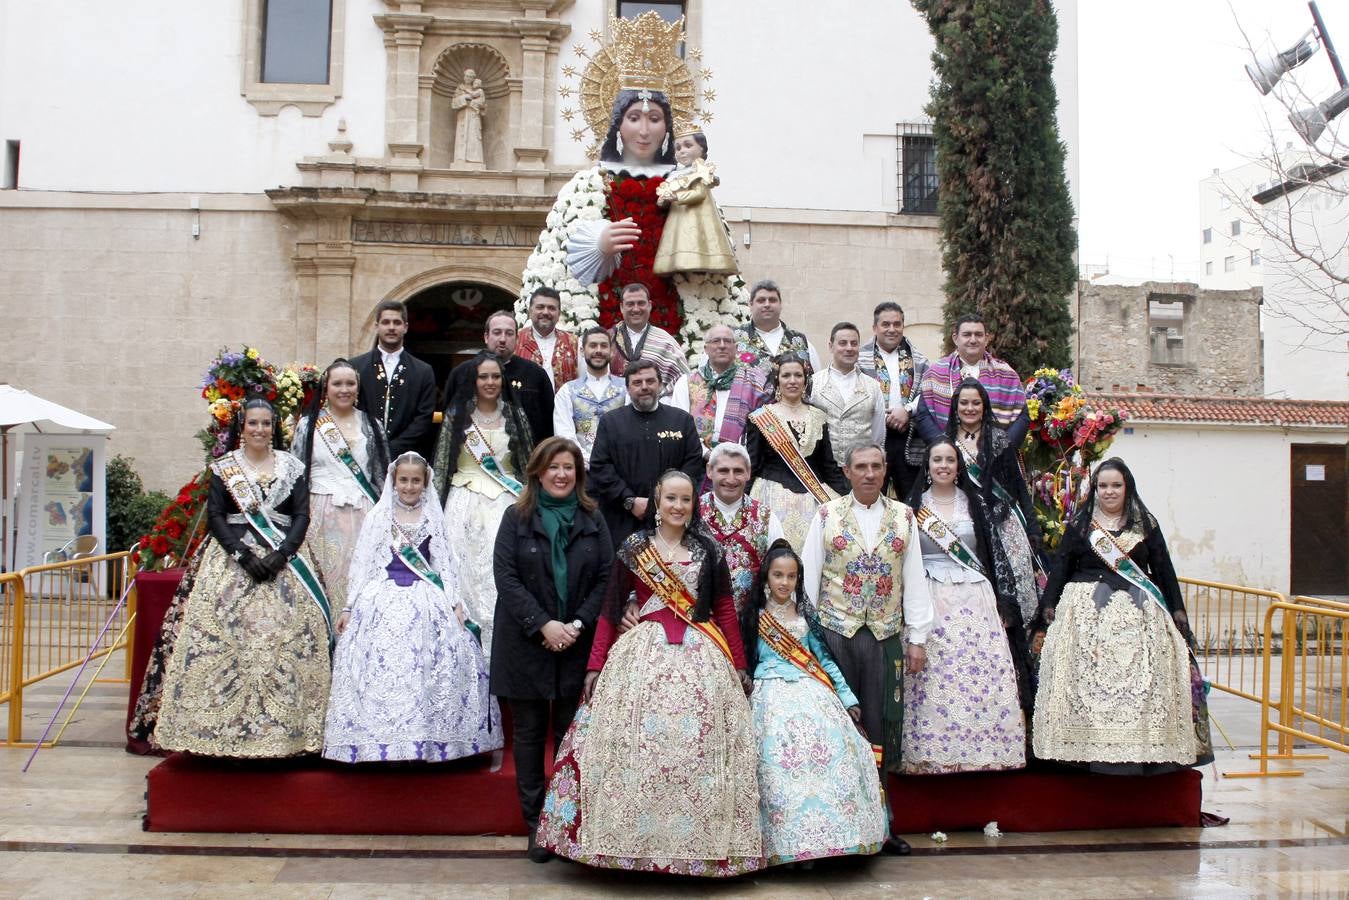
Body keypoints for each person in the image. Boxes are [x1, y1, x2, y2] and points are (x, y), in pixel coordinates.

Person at [535, 470, 763, 877]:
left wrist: (740, 663)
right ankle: (630, 847)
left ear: (695, 504)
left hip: (701, 654)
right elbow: (609, 612)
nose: (678, 507)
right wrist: (594, 666)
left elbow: (725, 608)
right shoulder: (635, 548)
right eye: (671, 499)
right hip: (642, 654)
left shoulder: (708, 548)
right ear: (657, 502)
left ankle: (699, 848)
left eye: (686, 500)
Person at [155, 397, 333, 757]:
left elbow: (301, 516)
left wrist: (282, 554)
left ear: (274, 428)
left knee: (287, 640)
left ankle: (289, 731)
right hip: (231, 561)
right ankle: (222, 729)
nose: (259, 430)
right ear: (242, 427)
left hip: (284, 559)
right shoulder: (224, 469)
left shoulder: (292, 467)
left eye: (266, 424)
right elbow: (217, 517)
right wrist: (242, 554)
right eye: (253, 423)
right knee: (228, 639)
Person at [1031, 458, 1214, 774]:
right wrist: (1048, 613)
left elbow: (1164, 570)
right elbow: (1061, 569)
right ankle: (1086, 752)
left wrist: (1178, 613)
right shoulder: (1080, 526)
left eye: (1116, 485)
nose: (1109, 491)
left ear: (1127, 487)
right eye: (1103, 485)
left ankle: (1143, 751)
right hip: (1086, 614)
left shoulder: (1145, 525)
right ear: (1095, 489)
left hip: (1139, 612)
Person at [324, 452, 501, 763]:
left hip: (426, 594)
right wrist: (350, 607)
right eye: (403, 480)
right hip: (383, 593)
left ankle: (426, 736)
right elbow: (363, 563)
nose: (408, 486)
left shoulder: (434, 516)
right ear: (394, 481)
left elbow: (446, 563)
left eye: (415, 480)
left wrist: (456, 602)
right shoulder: (379, 516)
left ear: (425, 483)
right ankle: (377, 741)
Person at [801, 443, 933, 844]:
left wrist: (918, 638)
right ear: (847, 470)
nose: (870, 474)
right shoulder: (826, 514)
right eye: (861, 467)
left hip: (884, 636)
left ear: (886, 469)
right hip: (836, 635)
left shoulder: (905, 517)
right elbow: (809, 580)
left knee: (878, 729)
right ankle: (837, 826)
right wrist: (808, 640)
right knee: (840, 726)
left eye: (876, 466)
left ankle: (880, 822)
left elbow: (915, 579)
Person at [491, 437, 613, 862]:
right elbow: (506, 577)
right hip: (526, 642)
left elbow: (605, 578)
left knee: (567, 737)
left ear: (578, 475)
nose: (561, 474)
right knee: (527, 736)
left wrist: (576, 624)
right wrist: (544, 624)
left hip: (575, 643)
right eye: (553, 467)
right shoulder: (516, 517)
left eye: (569, 467)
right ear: (538, 472)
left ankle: (562, 826)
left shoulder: (593, 519)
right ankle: (534, 825)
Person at [742, 540, 886, 865]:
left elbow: (825, 660)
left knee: (832, 751)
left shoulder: (807, 615)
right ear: (766, 577)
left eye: (791, 577)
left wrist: (847, 697)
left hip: (812, 689)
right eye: (778, 575)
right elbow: (746, 662)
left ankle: (829, 840)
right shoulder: (755, 617)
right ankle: (783, 843)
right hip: (770, 694)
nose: (784, 582)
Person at [902, 438, 1030, 774]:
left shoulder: (976, 505)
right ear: (927, 467)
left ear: (958, 467)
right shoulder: (913, 507)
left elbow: (994, 554)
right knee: (934, 679)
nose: (943, 466)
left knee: (975, 674)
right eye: (937, 460)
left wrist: (1005, 601)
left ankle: (981, 753)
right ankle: (932, 754)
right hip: (929, 596)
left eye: (949, 460)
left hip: (974, 598)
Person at [432, 351, 533, 658]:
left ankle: (502, 651)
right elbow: (441, 465)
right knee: (464, 576)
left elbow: (528, 463)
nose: (490, 382)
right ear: (473, 381)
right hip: (464, 503)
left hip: (507, 503)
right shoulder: (457, 416)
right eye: (483, 377)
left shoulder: (516, 416)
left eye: (495, 376)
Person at [945, 378, 1043, 633]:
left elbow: (1018, 487)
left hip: (1003, 524)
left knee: (1011, 594)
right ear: (955, 406)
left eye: (975, 403)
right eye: (964, 403)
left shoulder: (999, 440)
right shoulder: (946, 444)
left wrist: (1032, 528)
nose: (969, 408)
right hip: (964, 525)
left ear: (984, 406)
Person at [291, 358, 389, 614]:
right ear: (326, 388)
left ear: (358, 388)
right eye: (337, 383)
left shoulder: (372, 425)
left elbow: (381, 476)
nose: (344, 389)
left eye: (350, 383)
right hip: (320, 515)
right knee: (323, 582)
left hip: (364, 515)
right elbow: (297, 476)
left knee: (362, 582)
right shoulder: (308, 425)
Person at [587, 359, 703, 550]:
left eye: (650, 381)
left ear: (660, 385)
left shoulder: (682, 421)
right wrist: (629, 500)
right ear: (628, 388)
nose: (644, 387)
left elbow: (693, 464)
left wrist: (667, 501)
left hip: (672, 518)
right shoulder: (611, 422)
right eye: (637, 383)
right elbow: (600, 467)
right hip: (622, 518)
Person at [745, 353, 847, 550]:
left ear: (805, 379)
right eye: (786, 375)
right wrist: (743, 503)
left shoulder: (819, 416)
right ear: (777, 380)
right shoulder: (761, 417)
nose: (792, 381)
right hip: (771, 496)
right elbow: (752, 465)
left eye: (798, 375)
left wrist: (848, 499)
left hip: (814, 497)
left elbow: (828, 466)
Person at [442, 310, 555, 445]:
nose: (502, 339)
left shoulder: (536, 375)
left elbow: (549, 426)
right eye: (497, 332)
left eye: (509, 333)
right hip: (472, 458)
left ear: (517, 339)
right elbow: (448, 422)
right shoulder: (461, 374)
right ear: (486, 337)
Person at [699, 442, 785, 614]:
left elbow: (781, 570)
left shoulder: (766, 517)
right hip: (701, 623)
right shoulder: (692, 514)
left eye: (738, 471)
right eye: (723, 471)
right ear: (710, 471)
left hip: (752, 621)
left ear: (748, 473)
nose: (731, 479)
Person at [915, 313, 1026, 442]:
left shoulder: (1007, 374)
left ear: (987, 338)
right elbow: (924, 416)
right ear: (955, 338)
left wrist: (1002, 450)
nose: (973, 340)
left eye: (978, 335)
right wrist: (944, 449)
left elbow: (1022, 416)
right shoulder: (935, 373)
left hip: (997, 456)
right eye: (967, 334)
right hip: (947, 457)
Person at [857, 301, 930, 498]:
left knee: (912, 500)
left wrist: (906, 411)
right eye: (886, 324)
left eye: (897, 324)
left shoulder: (920, 360)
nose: (892, 329)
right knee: (870, 497)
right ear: (875, 328)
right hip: (871, 436)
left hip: (908, 437)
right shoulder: (858, 359)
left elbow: (928, 392)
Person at [351, 299, 438, 459]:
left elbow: (424, 417)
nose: (391, 327)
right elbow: (351, 409)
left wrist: (394, 448)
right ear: (377, 326)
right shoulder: (355, 366)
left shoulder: (423, 371)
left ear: (405, 327)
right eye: (386, 322)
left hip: (407, 459)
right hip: (362, 454)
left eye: (397, 322)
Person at [668, 323, 765, 459]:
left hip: (742, 463)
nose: (722, 345)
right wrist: (707, 454)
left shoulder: (753, 383)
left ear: (736, 348)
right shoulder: (686, 382)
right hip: (696, 461)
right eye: (716, 341)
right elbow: (678, 424)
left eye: (727, 341)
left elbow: (761, 428)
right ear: (706, 349)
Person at [653, 122, 737, 276]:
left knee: (697, 247)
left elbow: (699, 194)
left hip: (698, 217)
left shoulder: (701, 171)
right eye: (678, 148)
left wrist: (677, 196)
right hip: (677, 218)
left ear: (702, 148)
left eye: (687, 145)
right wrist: (663, 201)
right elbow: (663, 200)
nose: (682, 151)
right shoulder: (674, 175)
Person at [812, 321, 885, 466]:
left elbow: (878, 433)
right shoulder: (813, 383)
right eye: (843, 343)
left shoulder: (873, 386)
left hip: (861, 468)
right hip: (823, 468)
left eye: (854, 343)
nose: (849, 348)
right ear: (831, 346)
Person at [552, 327, 626, 466]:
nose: (598, 350)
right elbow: (564, 435)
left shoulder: (626, 388)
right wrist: (587, 461)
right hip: (580, 469)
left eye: (604, 346)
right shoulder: (567, 391)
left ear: (611, 351)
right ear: (582, 350)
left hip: (621, 466)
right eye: (593, 345)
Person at [735, 279, 822, 391]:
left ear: (780, 304)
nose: (767, 304)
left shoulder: (801, 343)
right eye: (761, 300)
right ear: (750, 305)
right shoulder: (733, 341)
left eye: (772, 300)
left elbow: (817, 386)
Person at [608, 282, 688, 392]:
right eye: (630, 304)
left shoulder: (666, 342)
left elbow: (683, 382)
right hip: (613, 407)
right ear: (621, 307)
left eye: (641, 303)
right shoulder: (607, 339)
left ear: (649, 305)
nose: (636, 309)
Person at [515, 286, 578, 391]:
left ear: (559, 314)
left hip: (564, 406)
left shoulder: (574, 342)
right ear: (530, 311)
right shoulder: (515, 340)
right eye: (540, 307)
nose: (545, 312)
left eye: (551, 308)